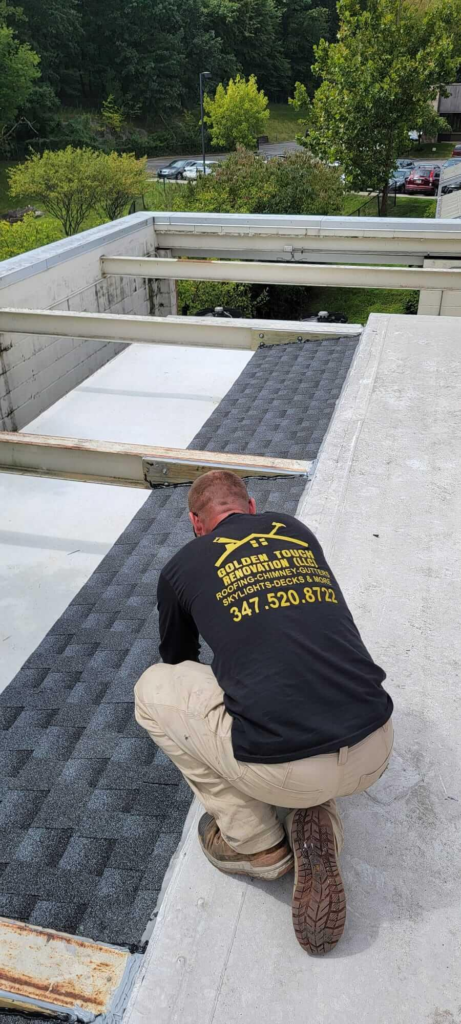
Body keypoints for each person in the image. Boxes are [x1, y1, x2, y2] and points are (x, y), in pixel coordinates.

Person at [135, 470, 393, 955]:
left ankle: (256, 843)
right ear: (251, 507)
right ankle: (315, 807)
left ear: (196, 522)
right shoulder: (295, 531)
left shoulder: (181, 565)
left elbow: (178, 659)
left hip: (284, 766)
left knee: (154, 689)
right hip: (376, 742)